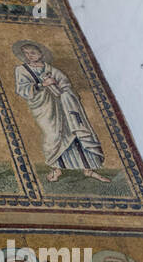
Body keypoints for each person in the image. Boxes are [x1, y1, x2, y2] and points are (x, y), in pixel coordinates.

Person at [13, 40, 110, 184]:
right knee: (52, 135)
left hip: (65, 107)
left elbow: (66, 86)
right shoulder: (21, 70)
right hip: (45, 108)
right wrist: (42, 84)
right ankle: (56, 168)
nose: (29, 56)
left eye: (32, 53)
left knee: (74, 132)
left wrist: (59, 88)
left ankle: (89, 169)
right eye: (26, 53)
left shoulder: (52, 70)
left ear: (41, 53)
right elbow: (22, 89)